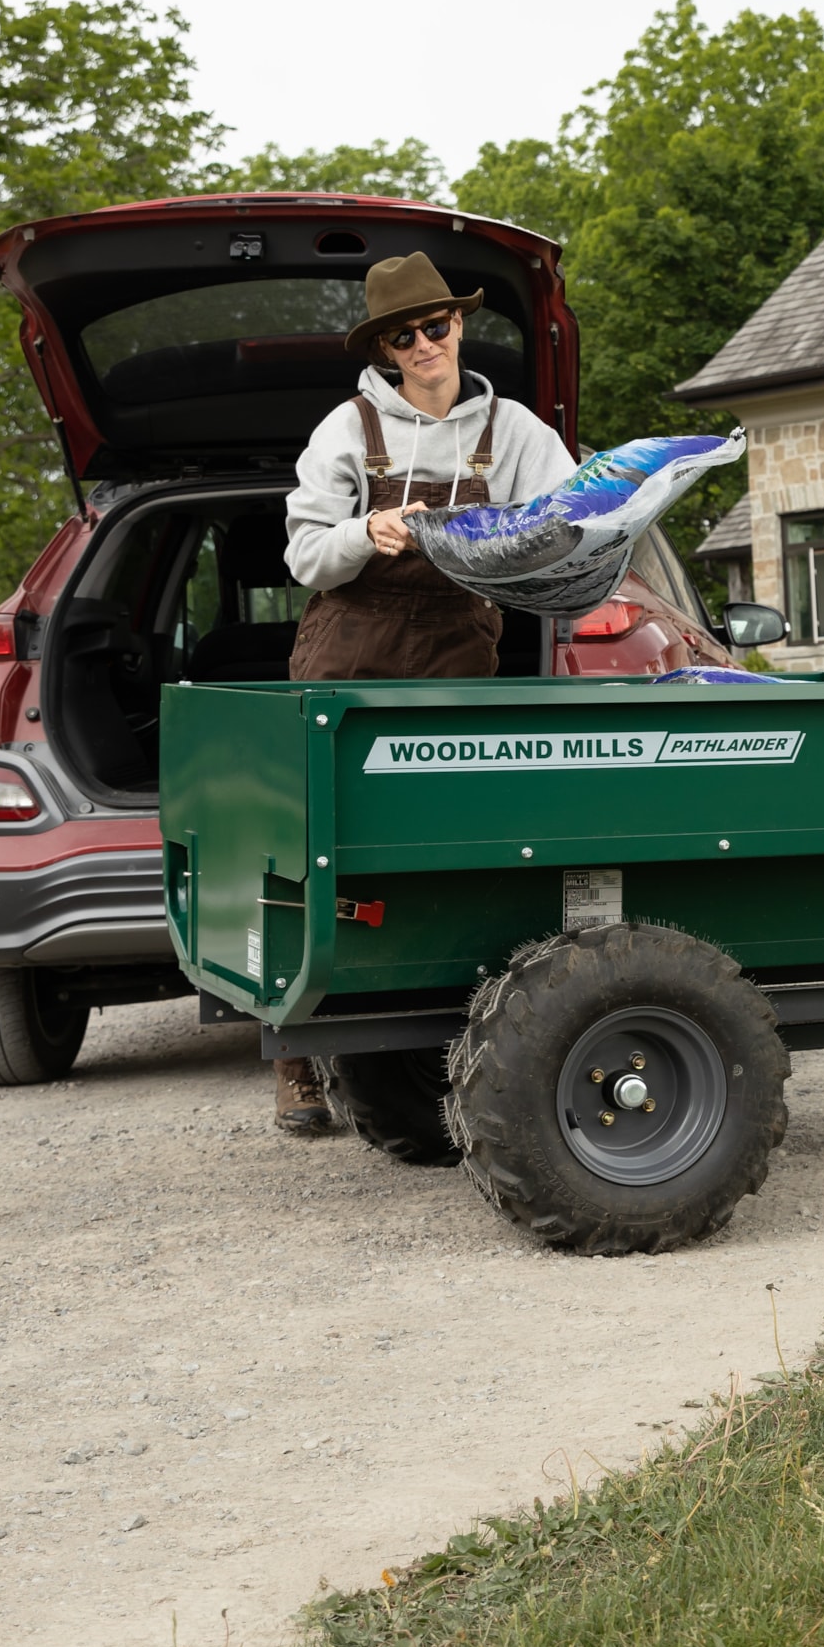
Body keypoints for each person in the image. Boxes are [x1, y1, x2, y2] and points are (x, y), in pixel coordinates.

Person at [268, 253, 574, 1135]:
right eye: (403, 336)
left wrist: (522, 545)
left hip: (455, 658)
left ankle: (437, 1033)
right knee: (321, 846)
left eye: (435, 326)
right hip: (348, 656)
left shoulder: (515, 429)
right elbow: (304, 557)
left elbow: (571, 519)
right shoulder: (346, 428)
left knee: (446, 844)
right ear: (385, 350)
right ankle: (295, 1054)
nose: (423, 345)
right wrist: (366, 531)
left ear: (459, 324)